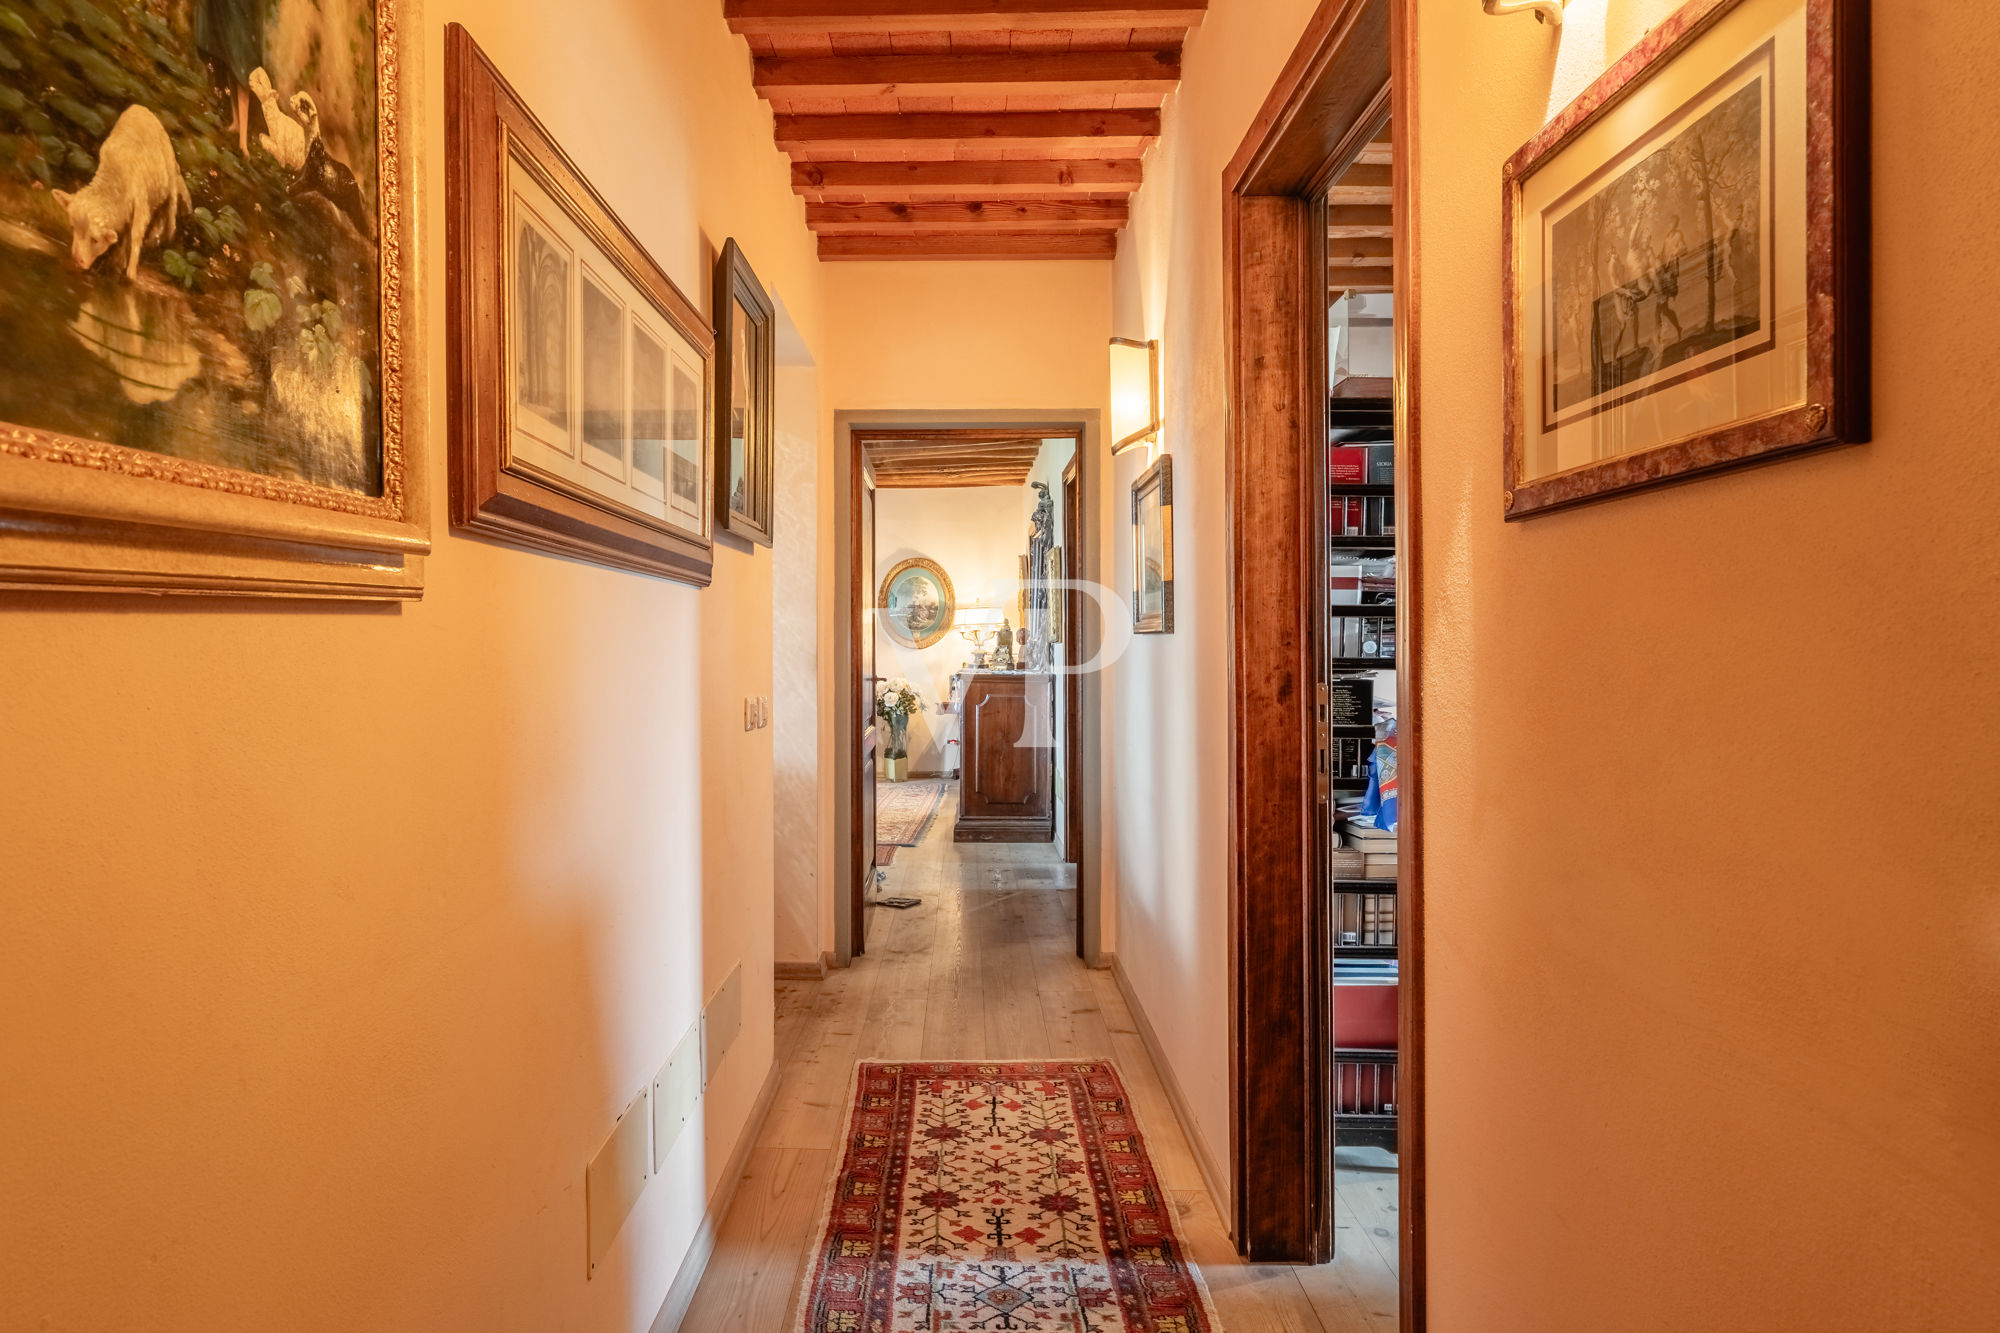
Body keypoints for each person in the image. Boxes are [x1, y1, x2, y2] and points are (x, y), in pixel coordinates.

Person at [194, 0, 266, 157]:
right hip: (232, 11)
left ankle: (243, 144)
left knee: (243, 71)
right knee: (231, 61)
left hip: (245, 14)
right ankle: (236, 122)